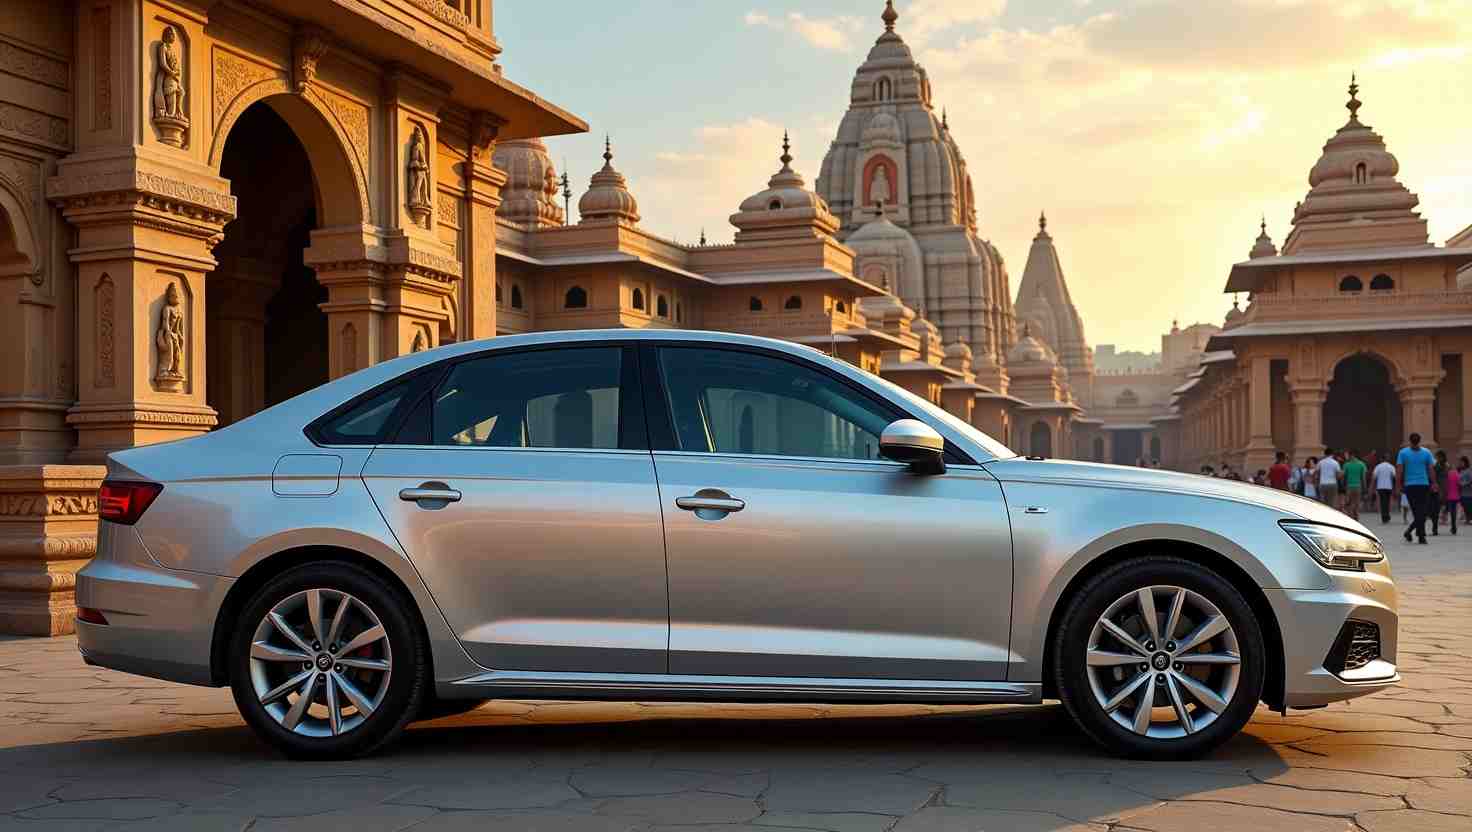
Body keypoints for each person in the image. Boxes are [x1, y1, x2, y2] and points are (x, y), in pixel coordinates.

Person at [1397, 433, 1436, 544]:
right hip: (1423, 485)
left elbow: (1399, 470)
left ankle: (1412, 532)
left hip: (1411, 486)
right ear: (1419, 441)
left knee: (1419, 512)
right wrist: (1434, 483)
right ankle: (1420, 535)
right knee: (1421, 512)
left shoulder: (1403, 452)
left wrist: (1398, 485)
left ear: (1410, 441)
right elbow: (1431, 470)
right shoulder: (1426, 452)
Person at [1372, 451, 1396, 525]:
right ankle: (1387, 515)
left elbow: (1374, 477)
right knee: (1387, 501)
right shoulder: (1391, 466)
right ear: (1387, 459)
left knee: (1382, 502)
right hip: (1389, 486)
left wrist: (1372, 487)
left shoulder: (1378, 467)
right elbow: (1394, 476)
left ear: (1381, 459)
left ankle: (1384, 516)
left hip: (1380, 487)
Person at [1342, 449, 1366, 520]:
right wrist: (1365, 488)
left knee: (1349, 504)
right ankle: (1356, 518)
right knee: (1356, 503)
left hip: (1349, 487)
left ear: (1351, 455)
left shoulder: (1346, 465)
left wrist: (1343, 486)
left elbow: (1344, 477)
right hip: (1358, 487)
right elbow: (1363, 478)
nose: (1347, 457)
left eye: (1348, 455)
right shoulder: (1362, 464)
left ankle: (1351, 519)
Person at [1430, 450, 1450, 536]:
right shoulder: (1435, 465)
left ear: (1442, 457)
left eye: (1438, 456)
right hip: (1437, 489)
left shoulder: (1446, 466)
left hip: (1444, 489)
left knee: (1439, 508)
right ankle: (1435, 528)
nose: (1437, 458)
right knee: (1435, 510)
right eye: (1437, 457)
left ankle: (1435, 527)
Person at [1442, 452, 1460, 535]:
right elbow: (1459, 484)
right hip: (1456, 496)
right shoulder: (1456, 473)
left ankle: (1452, 526)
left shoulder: (1447, 475)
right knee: (1453, 512)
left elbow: (1445, 486)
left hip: (1449, 496)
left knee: (1449, 511)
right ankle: (1453, 527)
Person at [1459, 457, 1472, 528]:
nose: (1461, 464)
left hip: (1469, 493)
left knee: (1469, 506)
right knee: (1465, 506)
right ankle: (1467, 519)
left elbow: (1470, 480)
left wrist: (1464, 483)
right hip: (1462, 492)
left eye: (1462, 462)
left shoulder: (1469, 471)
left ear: (1465, 462)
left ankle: (1469, 519)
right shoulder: (1461, 471)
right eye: (1460, 462)